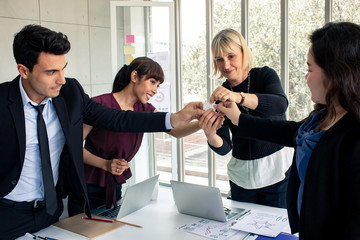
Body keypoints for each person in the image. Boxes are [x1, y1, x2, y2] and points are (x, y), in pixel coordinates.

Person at [0, 24, 204, 240]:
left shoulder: (70, 93)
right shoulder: (3, 102)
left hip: (50, 211)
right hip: (7, 214)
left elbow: (118, 118)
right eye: (51, 72)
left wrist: (174, 119)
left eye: (63, 69)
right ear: (23, 70)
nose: (61, 79)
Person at [212, 22, 360, 239]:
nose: (305, 77)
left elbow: (354, 221)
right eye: (219, 58)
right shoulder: (321, 118)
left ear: (335, 73)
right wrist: (232, 120)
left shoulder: (353, 137)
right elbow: (286, 130)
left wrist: (239, 101)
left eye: (309, 69)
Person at [67, 57, 203, 216]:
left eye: (158, 85)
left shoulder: (144, 108)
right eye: (152, 82)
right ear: (134, 77)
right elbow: (73, 147)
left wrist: (201, 123)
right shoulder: (99, 105)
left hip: (115, 185)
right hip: (87, 186)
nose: (155, 90)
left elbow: (175, 131)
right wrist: (105, 164)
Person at [198, 28, 294, 208]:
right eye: (219, 59)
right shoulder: (221, 94)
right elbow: (225, 147)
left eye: (231, 56)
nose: (226, 65)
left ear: (243, 52)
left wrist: (238, 97)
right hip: (241, 178)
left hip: (277, 172)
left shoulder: (264, 75)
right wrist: (210, 135)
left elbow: (280, 105)